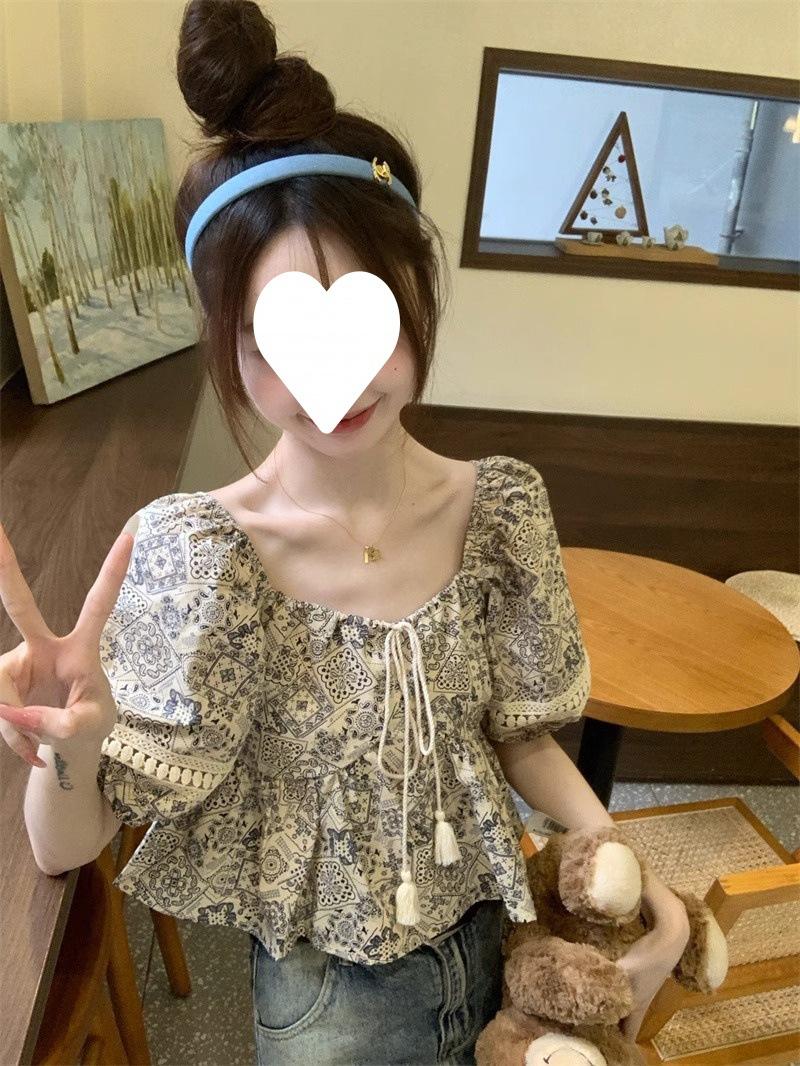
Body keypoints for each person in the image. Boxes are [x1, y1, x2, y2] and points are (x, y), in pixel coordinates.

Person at [0, 2, 691, 1063]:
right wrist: (72, 745)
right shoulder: (206, 560)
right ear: (230, 349)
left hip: (497, 943)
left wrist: (615, 863)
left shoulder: (499, 510)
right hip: (330, 1010)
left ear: (417, 299)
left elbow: (517, 735)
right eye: (279, 338)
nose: (338, 379)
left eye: (369, 316)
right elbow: (66, 848)